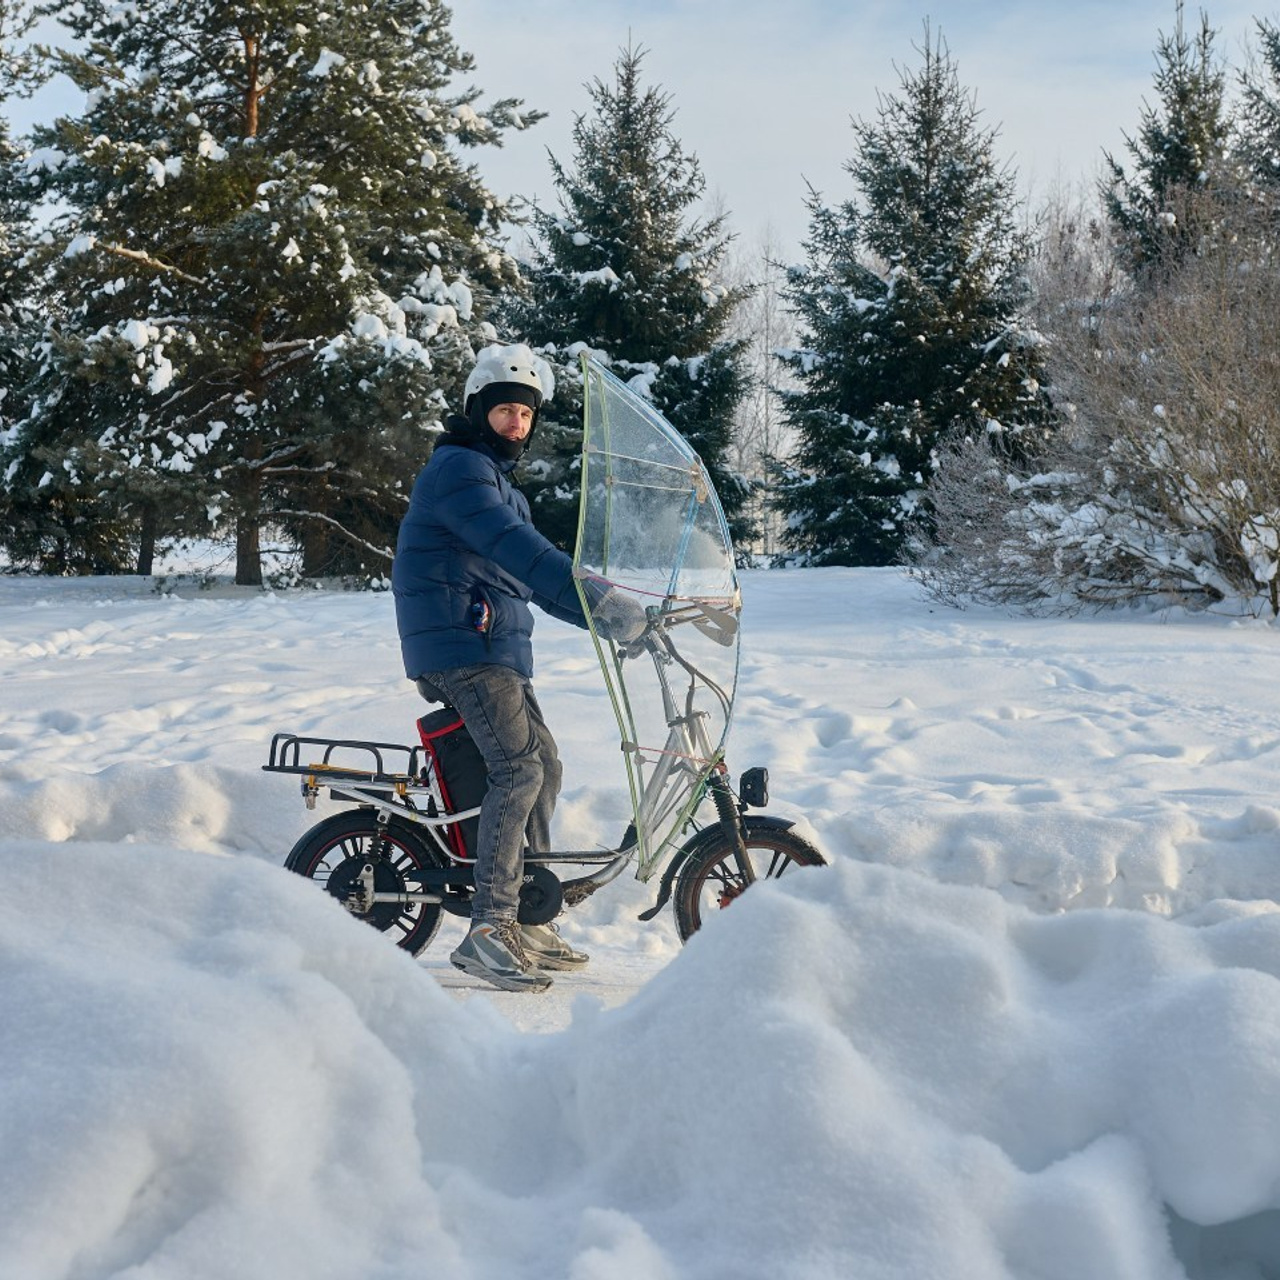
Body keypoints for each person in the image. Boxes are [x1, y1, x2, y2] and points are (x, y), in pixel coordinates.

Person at [392, 343, 646, 992]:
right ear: (477, 410)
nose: (516, 422)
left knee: (545, 766)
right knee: (519, 768)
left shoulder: (495, 483)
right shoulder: (460, 471)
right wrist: (604, 602)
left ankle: (528, 916)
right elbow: (522, 551)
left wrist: (608, 619)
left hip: (491, 649)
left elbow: (530, 581)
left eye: (526, 413)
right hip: (462, 646)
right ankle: (490, 927)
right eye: (504, 409)